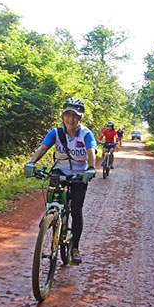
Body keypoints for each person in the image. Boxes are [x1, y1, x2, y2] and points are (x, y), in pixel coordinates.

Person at [24, 98, 97, 265]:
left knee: (76, 210)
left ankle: (75, 248)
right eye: (68, 115)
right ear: (63, 115)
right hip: (60, 170)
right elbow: (43, 147)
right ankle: (52, 216)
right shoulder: (56, 133)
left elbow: (91, 150)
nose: (71, 119)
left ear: (80, 118)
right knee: (53, 194)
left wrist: (91, 168)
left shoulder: (85, 133)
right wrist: (31, 162)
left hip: (79, 175)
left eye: (75, 116)